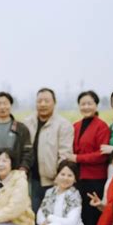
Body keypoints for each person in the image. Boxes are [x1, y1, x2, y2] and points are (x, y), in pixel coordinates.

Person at [24, 88, 74, 217]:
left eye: (47, 101)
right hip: (31, 180)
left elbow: (65, 154)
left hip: (53, 180)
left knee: (51, 218)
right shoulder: (27, 123)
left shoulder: (63, 125)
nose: (43, 104)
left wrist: (60, 178)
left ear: (54, 103)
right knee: (33, 217)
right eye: (39, 101)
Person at [66, 91, 110, 225]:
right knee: (81, 215)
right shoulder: (76, 126)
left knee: (93, 217)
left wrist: (78, 158)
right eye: (83, 104)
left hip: (95, 179)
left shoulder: (101, 126)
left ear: (96, 105)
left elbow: (102, 155)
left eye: (89, 103)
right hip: (79, 179)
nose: (86, 107)